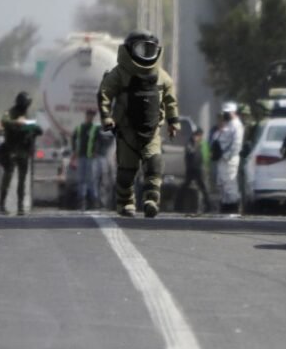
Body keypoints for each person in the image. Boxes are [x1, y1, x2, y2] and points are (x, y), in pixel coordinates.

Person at [97, 30, 180, 218]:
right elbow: (105, 93)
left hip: (152, 131)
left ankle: (152, 199)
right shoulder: (120, 74)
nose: (146, 54)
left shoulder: (162, 76)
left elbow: (170, 100)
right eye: (141, 49)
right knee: (126, 172)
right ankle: (125, 203)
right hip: (127, 131)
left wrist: (173, 121)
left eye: (150, 50)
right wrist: (107, 117)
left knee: (155, 165)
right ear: (129, 50)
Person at [0, 91, 43, 215]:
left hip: (24, 151)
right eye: (26, 104)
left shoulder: (26, 114)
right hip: (12, 149)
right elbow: (4, 121)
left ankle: (20, 206)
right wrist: (17, 123)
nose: (26, 106)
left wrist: (32, 128)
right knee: (8, 177)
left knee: (22, 180)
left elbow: (36, 128)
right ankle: (2, 204)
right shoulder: (10, 112)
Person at [211, 102, 244, 213]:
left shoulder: (237, 125)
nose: (226, 114)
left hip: (229, 159)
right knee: (221, 183)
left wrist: (227, 156)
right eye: (225, 112)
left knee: (230, 183)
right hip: (221, 159)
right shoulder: (227, 124)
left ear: (233, 112)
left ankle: (233, 207)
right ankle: (225, 206)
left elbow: (237, 144)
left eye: (228, 112)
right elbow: (216, 138)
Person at [175, 128, 212, 213]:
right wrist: (196, 144)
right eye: (198, 136)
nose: (199, 137)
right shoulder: (190, 143)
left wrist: (206, 166)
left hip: (199, 168)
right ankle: (178, 205)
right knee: (185, 186)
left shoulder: (202, 143)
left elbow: (205, 155)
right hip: (191, 169)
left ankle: (208, 206)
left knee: (203, 187)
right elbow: (190, 153)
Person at [72, 108, 101, 210]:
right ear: (86, 116)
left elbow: (99, 141)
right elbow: (74, 138)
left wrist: (96, 151)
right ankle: (81, 201)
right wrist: (74, 151)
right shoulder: (80, 127)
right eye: (89, 115)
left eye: (92, 116)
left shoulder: (95, 128)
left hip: (91, 158)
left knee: (91, 180)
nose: (90, 117)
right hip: (81, 156)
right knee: (81, 179)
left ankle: (94, 201)